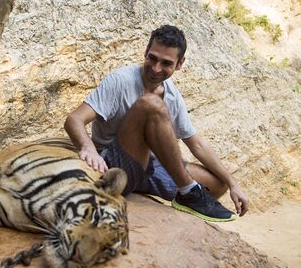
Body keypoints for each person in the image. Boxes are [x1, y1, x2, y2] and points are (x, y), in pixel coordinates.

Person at [64, 25, 249, 221]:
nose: (156, 68)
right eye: (152, 58)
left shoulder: (172, 94)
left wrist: (232, 183)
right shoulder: (120, 80)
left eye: (166, 63)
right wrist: (89, 148)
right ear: (145, 52)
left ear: (180, 64)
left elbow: (196, 143)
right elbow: (74, 119)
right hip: (113, 167)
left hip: (147, 168)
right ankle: (188, 191)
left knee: (217, 184)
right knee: (150, 103)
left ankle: (185, 203)